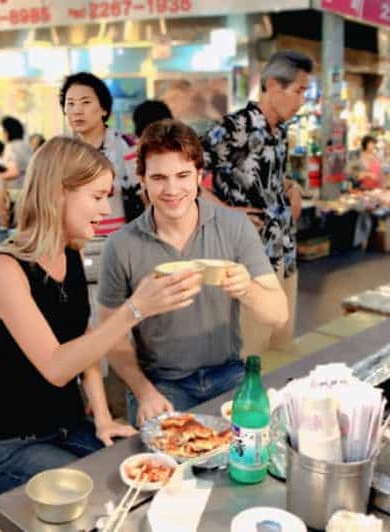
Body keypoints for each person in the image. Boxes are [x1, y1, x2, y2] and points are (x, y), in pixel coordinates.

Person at [0, 136, 199, 494]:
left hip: (69, 426)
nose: (107, 209)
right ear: (57, 193)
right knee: (104, 491)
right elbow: (58, 367)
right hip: (10, 445)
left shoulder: (70, 255)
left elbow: (85, 341)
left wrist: (104, 419)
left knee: (151, 472)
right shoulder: (6, 268)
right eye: (97, 197)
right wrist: (135, 309)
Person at [98, 120, 289, 426]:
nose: (172, 190)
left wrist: (246, 289)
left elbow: (278, 315)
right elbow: (110, 336)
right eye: (159, 177)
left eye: (183, 175)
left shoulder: (234, 227)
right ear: (142, 179)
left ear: (200, 176)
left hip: (227, 372)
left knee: (252, 447)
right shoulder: (120, 245)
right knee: (166, 465)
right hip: (160, 381)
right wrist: (144, 392)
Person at [202, 50, 310, 356]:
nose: (301, 101)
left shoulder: (281, 131)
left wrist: (291, 185)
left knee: (282, 344)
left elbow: (269, 173)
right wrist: (224, 211)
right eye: (298, 91)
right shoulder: (237, 127)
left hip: (284, 251)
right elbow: (188, 172)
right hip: (248, 258)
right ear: (274, 85)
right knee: (250, 351)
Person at [60, 72, 142, 229]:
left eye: (85, 102)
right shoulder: (61, 151)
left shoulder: (125, 146)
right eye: (70, 103)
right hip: (74, 241)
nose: (77, 110)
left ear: (104, 109)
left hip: (118, 239)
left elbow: (145, 197)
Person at [0, 116, 33, 187]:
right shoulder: (26, 146)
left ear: (7, 132)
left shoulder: (10, 147)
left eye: (3, 131)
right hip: (28, 187)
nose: (3, 134)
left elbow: (14, 172)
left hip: (15, 189)